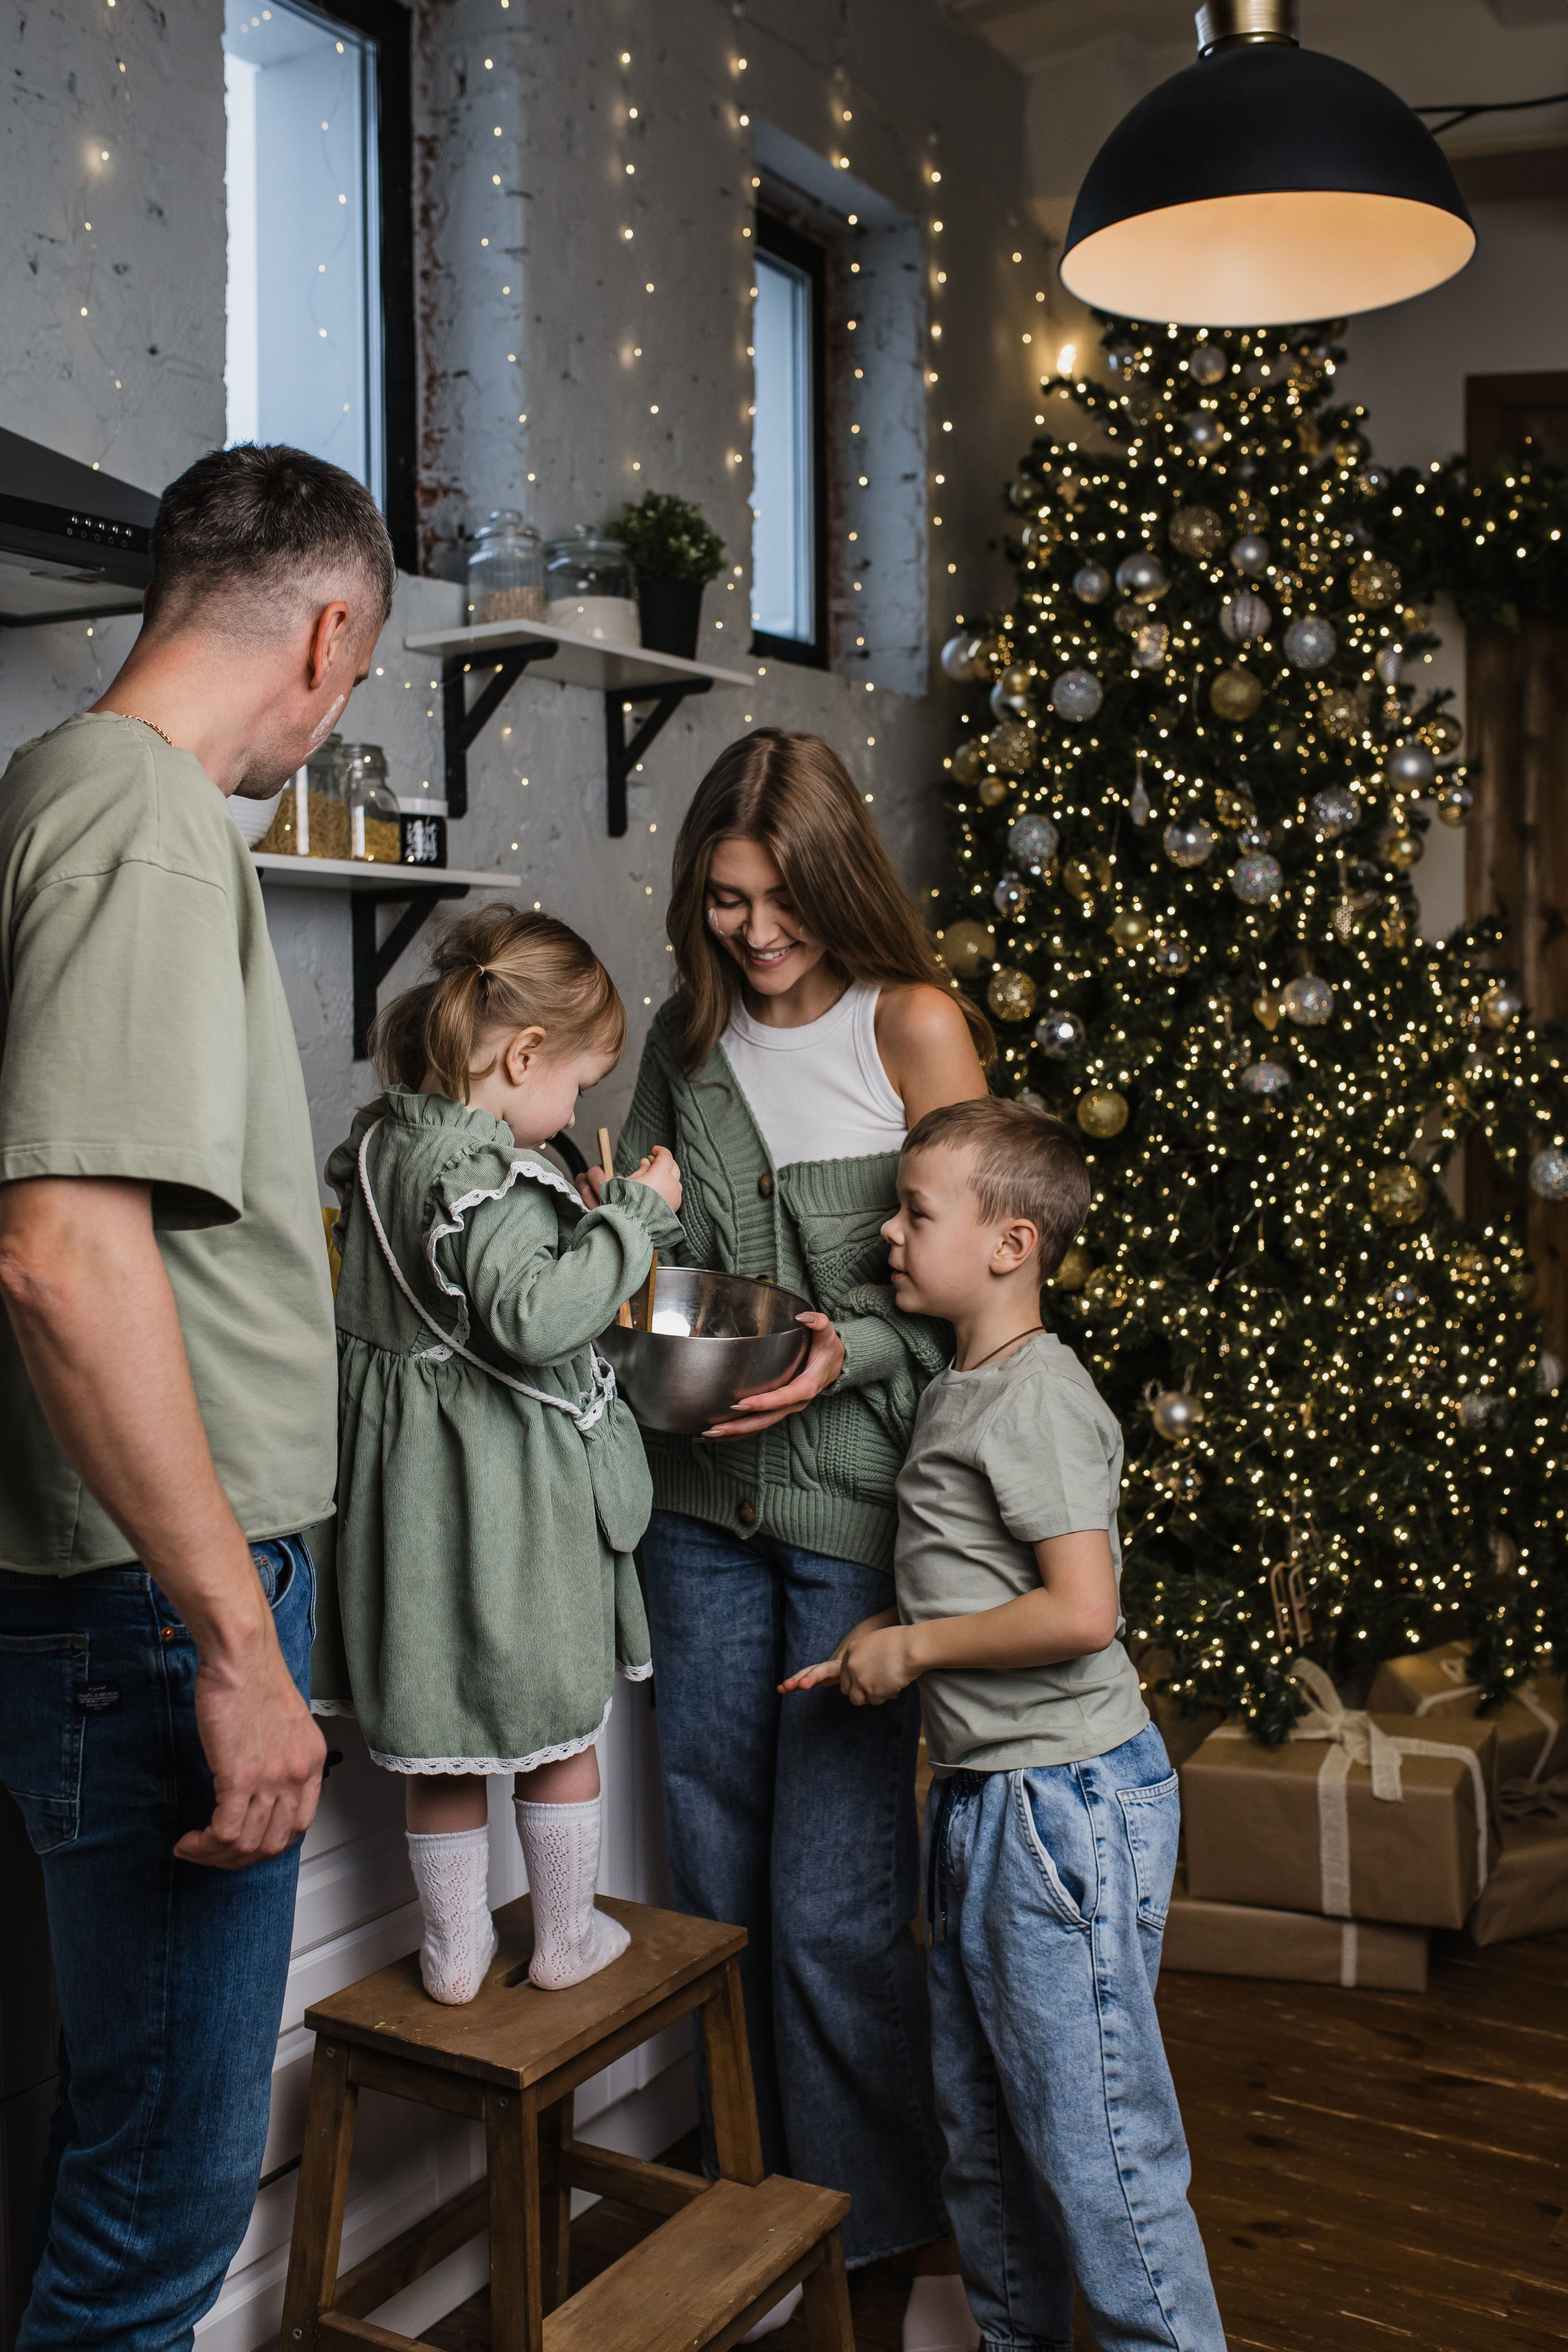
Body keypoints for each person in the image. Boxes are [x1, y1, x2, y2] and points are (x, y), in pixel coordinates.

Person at [0, 444, 396, 2349]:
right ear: (327, 637)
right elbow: (63, 1257)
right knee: (153, 2224)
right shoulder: (146, 821)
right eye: (358, 672)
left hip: (117, 1593)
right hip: (156, 1609)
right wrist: (237, 1646)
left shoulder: (51, 791)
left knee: (104, 2166)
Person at [605, 729, 992, 2349]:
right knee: (714, 1889)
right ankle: (749, 2218)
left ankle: (872, 2245)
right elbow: (645, 1250)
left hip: (851, 1528)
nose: (755, 932)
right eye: (725, 900)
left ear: (836, 880)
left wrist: (852, 1352)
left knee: (833, 1909)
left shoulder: (912, 1025)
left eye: (780, 899)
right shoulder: (684, 1035)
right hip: (696, 1517)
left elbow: (983, 1275)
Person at [785, 1097, 1226, 2352]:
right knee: (980, 2134)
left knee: (1099, 2150)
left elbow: (1082, 1612)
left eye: (916, 1212)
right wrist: (883, 1643)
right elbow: (980, 1578)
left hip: (1061, 1804)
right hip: (989, 1798)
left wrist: (916, 1649)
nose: (887, 1232)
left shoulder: (1035, 1396)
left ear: (1009, 1244)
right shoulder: (962, 1384)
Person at [319, 904, 683, 2001]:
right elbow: (534, 1318)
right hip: (500, 1490)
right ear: (524, 1056)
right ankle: (564, 1936)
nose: (575, 1113)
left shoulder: (386, 1143)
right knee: (554, 1721)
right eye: (579, 1086)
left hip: (406, 1496)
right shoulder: (484, 1174)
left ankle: (455, 1950)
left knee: (441, 1729)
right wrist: (632, 1220)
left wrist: (569, 1221)